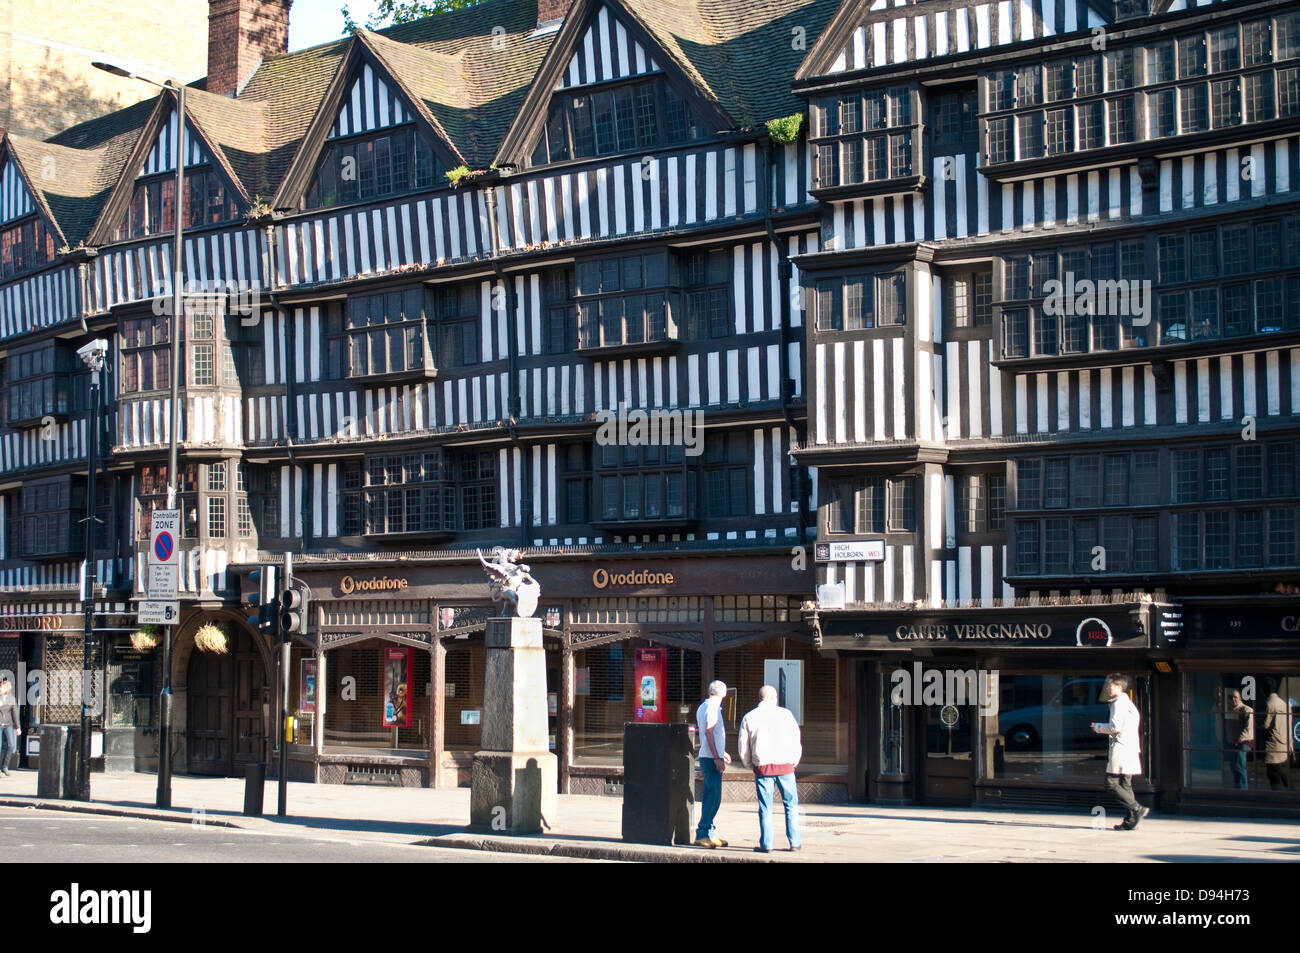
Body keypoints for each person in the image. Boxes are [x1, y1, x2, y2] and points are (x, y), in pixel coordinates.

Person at [738, 685, 802, 853]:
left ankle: (767, 844)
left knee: (766, 807)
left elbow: (743, 746)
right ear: (774, 698)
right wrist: (795, 758)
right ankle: (795, 842)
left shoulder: (749, 717)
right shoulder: (786, 715)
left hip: (763, 767)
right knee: (791, 805)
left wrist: (749, 764)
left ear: (760, 698)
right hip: (786, 765)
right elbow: (796, 738)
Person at [1092, 673, 1148, 830]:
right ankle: (1130, 821)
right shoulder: (1127, 702)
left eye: (1110, 685)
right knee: (1125, 784)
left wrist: (1098, 727)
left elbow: (1115, 727)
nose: (1108, 688)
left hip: (1121, 747)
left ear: (1119, 686)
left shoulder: (1119, 703)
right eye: (1108, 685)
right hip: (1130, 747)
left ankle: (1136, 808)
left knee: (1111, 783)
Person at [694, 680, 730, 848]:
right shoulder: (712, 708)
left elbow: (710, 733)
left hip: (709, 755)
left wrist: (722, 752)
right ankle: (702, 833)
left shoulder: (704, 706)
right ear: (724, 693)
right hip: (710, 758)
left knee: (712, 795)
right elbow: (709, 731)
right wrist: (717, 757)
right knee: (712, 796)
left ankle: (709, 832)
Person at [1261, 678, 1294, 791]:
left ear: (1264, 690)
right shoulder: (1284, 704)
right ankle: (1290, 790)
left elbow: (1266, 725)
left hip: (1273, 744)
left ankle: (1279, 796)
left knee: (1273, 773)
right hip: (1285, 742)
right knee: (1281, 771)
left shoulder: (1270, 704)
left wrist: (1257, 725)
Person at [1226, 687, 1254, 790]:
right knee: (1234, 766)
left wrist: (1239, 740)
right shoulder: (1230, 711)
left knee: (1239, 765)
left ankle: (1243, 790)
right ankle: (1238, 788)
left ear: (1240, 698)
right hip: (1234, 742)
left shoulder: (1247, 710)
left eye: (1236, 697)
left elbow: (1248, 729)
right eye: (1231, 697)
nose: (1233, 699)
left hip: (1244, 742)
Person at [0, 677, 19, 776]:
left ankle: (5, 766)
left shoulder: (11, 699)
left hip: (8, 724)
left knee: (11, 745)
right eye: (0, 687)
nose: (0, 689)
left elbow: (14, 713)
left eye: (2, 688)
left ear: (7, 689)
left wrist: (17, 727)